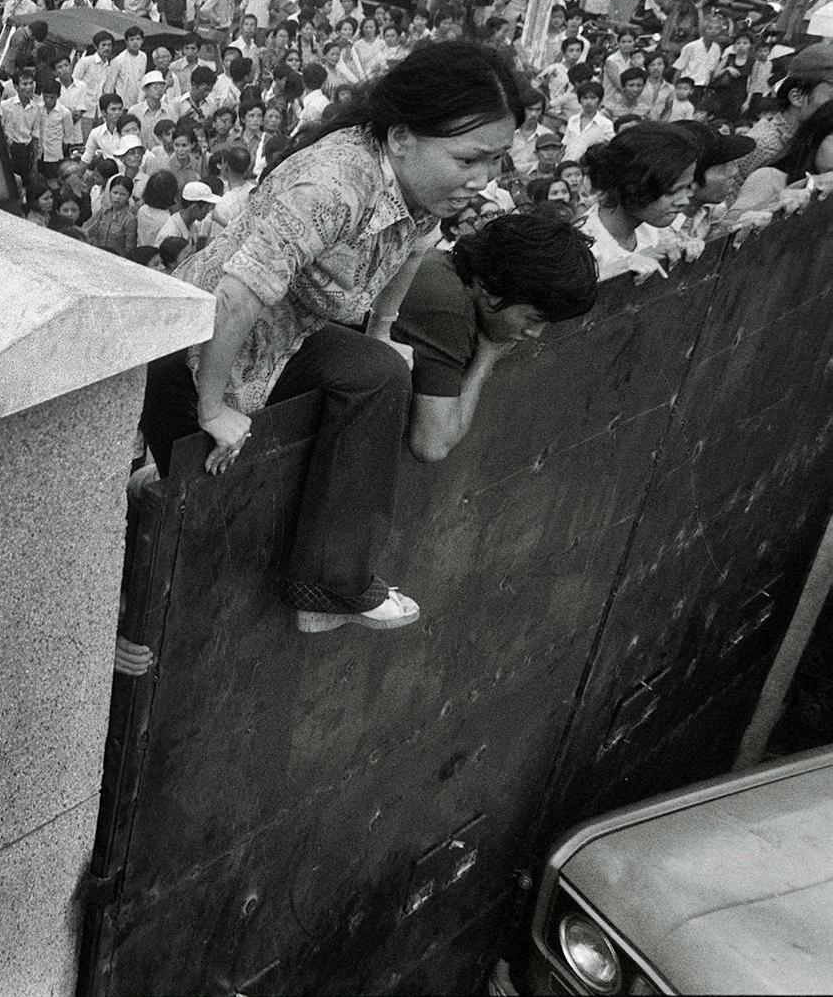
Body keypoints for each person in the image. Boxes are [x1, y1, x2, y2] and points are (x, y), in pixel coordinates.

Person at [140, 40, 526, 633]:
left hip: (286, 337)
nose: (482, 178)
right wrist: (212, 408)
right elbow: (237, 294)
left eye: (496, 160)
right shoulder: (335, 186)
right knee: (211, 518)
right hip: (196, 350)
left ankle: (328, 587)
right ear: (401, 136)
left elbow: (411, 248)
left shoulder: (423, 185)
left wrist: (382, 329)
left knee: (378, 373)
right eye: (469, 158)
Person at [392, 213, 598, 462]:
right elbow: (432, 444)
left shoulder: (446, 273)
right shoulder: (447, 304)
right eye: (532, 319)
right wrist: (486, 359)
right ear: (491, 287)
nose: (534, 333)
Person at [578, 122, 701, 281]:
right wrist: (617, 270)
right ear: (635, 186)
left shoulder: (656, 230)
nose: (684, 201)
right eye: (672, 191)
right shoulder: (580, 249)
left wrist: (689, 251)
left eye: (687, 188)